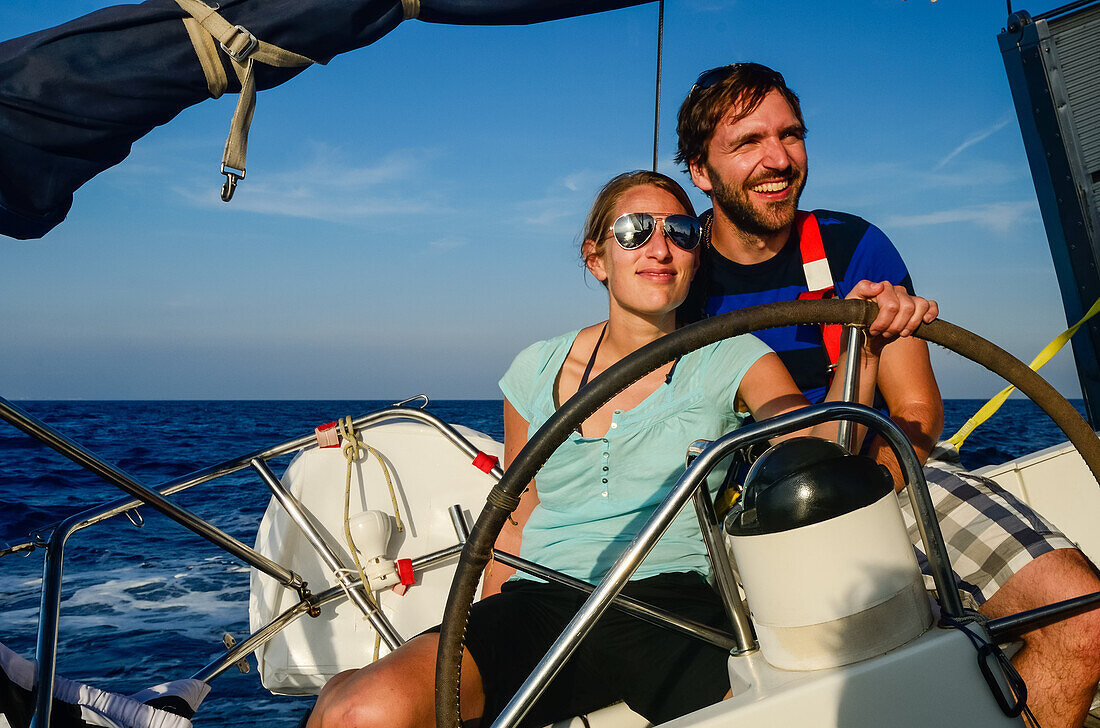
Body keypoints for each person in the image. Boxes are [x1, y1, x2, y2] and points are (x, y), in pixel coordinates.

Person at [305, 170, 936, 728]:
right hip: (542, 604)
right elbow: (516, 519)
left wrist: (866, 346)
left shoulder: (734, 356)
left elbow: (816, 449)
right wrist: (473, 641)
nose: (659, 247)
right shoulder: (535, 368)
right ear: (597, 258)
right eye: (635, 231)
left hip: (670, 606)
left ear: (694, 256)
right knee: (360, 710)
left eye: (681, 232)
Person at [674, 61, 1100, 728]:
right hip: (745, 520)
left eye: (791, 134)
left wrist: (858, 504)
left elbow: (916, 412)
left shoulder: (854, 249)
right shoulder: (675, 275)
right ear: (700, 171)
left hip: (889, 480)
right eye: (747, 142)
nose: (779, 159)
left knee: (1086, 623)